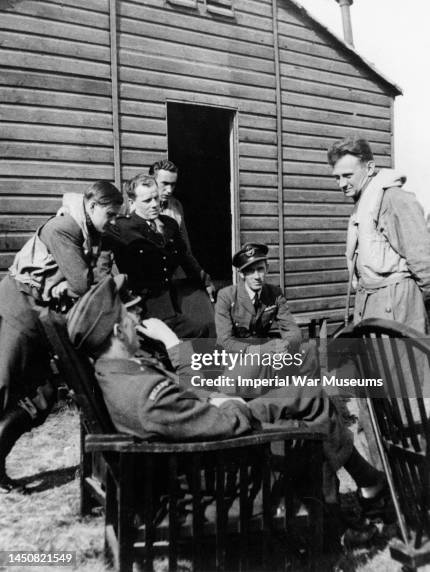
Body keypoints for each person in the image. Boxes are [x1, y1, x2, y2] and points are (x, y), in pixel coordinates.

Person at [67, 275, 390, 527]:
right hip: (221, 471)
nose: (136, 318)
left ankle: (368, 485)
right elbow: (225, 422)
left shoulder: (120, 371)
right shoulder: (141, 395)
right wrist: (229, 400)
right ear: (117, 331)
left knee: (303, 385)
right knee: (309, 411)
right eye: (129, 314)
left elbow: (186, 396)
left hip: (205, 431)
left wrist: (174, 345)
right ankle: (361, 496)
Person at [0, 180, 123, 492]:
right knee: (4, 386)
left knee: (42, 396)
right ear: (91, 206)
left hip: (45, 317)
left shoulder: (91, 234)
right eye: (108, 214)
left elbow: (90, 278)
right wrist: (89, 278)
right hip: (20, 307)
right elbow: (84, 284)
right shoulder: (64, 227)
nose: (111, 223)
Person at [328, 136, 430, 331]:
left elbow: (423, 260)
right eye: (337, 177)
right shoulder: (362, 203)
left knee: (403, 362)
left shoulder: (394, 199)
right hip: (369, 305)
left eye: (348, 175)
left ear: (370, 168)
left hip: (398, 308)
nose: (341, 184)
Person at [101, 173, 212, 339]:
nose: (154, 205)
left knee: (205, 328)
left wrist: (205, 280)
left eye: (156, 198)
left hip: (173, 302)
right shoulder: (120, 228)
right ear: (132, 202)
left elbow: (185, 258)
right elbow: (101, 263)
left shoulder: (169, 224)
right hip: (143, 307)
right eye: (147, 201)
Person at [215, 243, 308, 396]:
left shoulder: (274, 293)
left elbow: (292, 330)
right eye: (250, 271)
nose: (257, 276)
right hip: (238, 358)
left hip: (267, 355)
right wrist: (260, 350)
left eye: (260, 269)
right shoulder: (226, 296)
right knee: (233, 391)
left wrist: (284, 346)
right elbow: (225, 341)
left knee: (308, 353)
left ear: (267, 269)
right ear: (241, 274)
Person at [149, 159, 216, 301]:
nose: (169, 190)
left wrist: (204, 278)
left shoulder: (175, 206)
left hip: (172, 278)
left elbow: (184, 248)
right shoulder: (133, 207)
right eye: (165, 184)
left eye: (173, 185)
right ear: (151, 181)